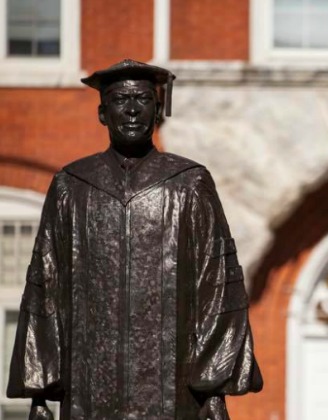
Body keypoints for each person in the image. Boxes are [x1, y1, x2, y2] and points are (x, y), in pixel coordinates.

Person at [6, 59, 262, 419]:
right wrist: (39, 393)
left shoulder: (189, 183)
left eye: (142, 100)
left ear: (158, 110)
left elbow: (216, 286)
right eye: (119, 100)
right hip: (88, 390)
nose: (131, 110)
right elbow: (46, 286)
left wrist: (215, 389)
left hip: (173, 394)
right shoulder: (72, 185)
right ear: (101, 113)